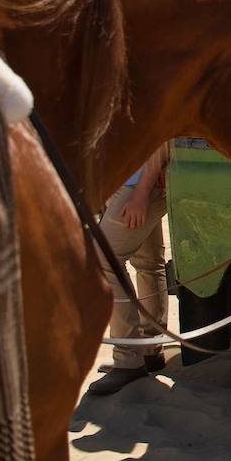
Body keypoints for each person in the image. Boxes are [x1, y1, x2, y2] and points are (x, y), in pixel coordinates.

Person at [87, 142, 171, 396]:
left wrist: (141, 193)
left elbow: (160, 137)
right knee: (148, 264)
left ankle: (127, 359)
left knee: (104, 262)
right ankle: (150, 348)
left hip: (137, 187)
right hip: (132, 184)